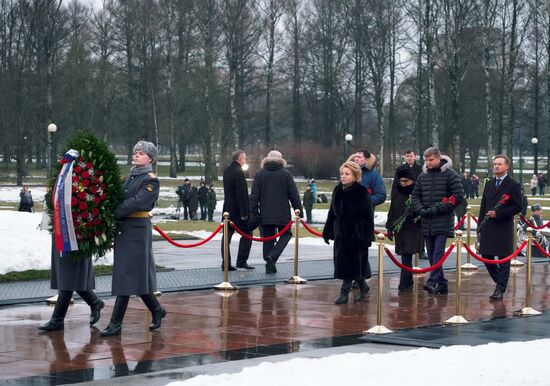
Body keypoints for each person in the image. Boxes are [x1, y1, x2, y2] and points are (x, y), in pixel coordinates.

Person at [100, 140, 166, 336]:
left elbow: (138, 202)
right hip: (125, 229)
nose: (136, 155)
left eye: (141, 153)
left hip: (137, 230)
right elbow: (120, 197)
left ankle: (115, 323)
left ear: (150, 158)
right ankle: (157, 310)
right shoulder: (129, 177)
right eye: (135, 151)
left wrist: (115, 211)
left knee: (127, 275)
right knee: (135, 276)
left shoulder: (150, 180)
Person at [412, 147, 463, 295]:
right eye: (426, 160)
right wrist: (420, 209)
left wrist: (438, 209)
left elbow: (457, 196)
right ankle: (442, 283)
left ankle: (432, 281)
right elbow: (415, 196)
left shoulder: (450, 175)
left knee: (438, 253)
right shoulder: (423, 176)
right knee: (431, 252)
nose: (428, 163)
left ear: (438, 158)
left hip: (442, 220)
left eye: (431, 160)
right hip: (427, 221)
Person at [322, 161, 373, 304]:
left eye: (347, 174)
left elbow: (368, 216)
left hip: (357, 234)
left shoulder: (361, 192)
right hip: (341, 234)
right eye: (342, 174)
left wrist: (367, 237)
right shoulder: (338, 190)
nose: (343, 177)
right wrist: (327, 231)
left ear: (355, 176)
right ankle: (363, 286)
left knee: (354, 263)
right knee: (345, 264)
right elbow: (332, 212)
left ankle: (344, 292)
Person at [249, 150, 302, 274]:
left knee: (268, 237)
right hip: (282, 212)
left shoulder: (260, 174)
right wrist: (298, 209)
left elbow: (254, 195)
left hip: (266, 212)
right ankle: (273, 256)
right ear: (281, 160)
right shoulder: (286, 174)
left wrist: (253, 210)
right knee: (286, 234)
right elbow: (293, 194)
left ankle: (269, 261)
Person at [477, 155, 522, 300]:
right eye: (495, 164)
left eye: (499, 164)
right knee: (486, 256)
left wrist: (499, 213)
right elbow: (483, 206)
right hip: (488, 227)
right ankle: (500, 282)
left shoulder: (513, 185)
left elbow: (518, 207)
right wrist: (479, 228)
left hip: (503, 227)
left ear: (507, 166)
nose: (496, 166)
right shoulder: (489, 184)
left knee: (503, 259)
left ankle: (499, 289)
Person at [386, 168, 423, 292]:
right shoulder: (397, 191)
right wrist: (390, 226)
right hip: (400, 228)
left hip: (413, 228)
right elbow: (392, 209)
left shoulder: (417, 192)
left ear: (412, 181)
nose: (403, 183)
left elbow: (421, 209)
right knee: (403, 255)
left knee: (407, 254)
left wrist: (414, 212)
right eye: (401, 181)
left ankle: (404, 283)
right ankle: (407, 281)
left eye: (405, 181)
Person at [354, 150, 386, 280]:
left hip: (364, 218)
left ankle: (360, 277)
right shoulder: (348, 173)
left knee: (361, 248)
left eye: (359, 157)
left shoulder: (373, 176)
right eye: (355, 156)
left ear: (366, 160)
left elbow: (381, 195)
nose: (356, 159)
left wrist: (366, 202)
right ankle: (361, 274)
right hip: (348, 218)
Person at [221, 150, 253, 270]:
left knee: (226, 238)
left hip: (227, 209)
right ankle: (242, 260)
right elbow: (242, 194)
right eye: (244, 158)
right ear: (240, 159)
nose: (245, 160)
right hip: (238, 211)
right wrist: (245, 213)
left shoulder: (227, 171)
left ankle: (226, 263)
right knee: (247, 234)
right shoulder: (239, 172)